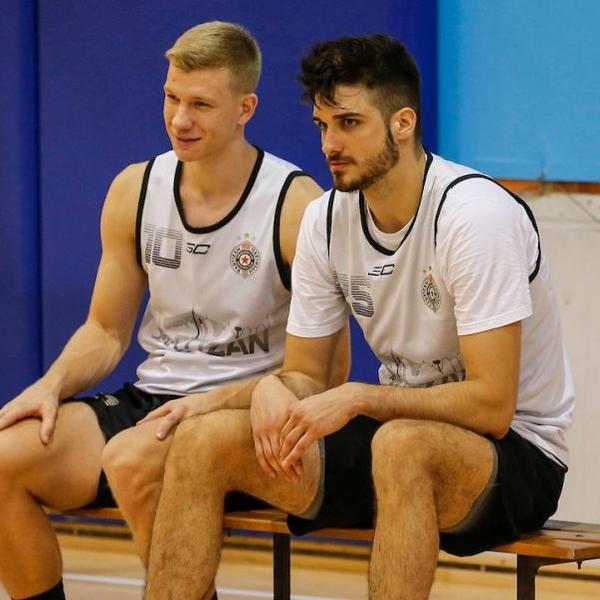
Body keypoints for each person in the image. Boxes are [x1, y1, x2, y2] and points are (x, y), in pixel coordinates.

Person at [144, 33, 574, 600]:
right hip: (394, 436)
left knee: (401, 447)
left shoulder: (474, 217)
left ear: (402, 123)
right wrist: (271, 388)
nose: (330, 144)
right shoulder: (325, 219)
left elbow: (492, 406)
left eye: (348, 123)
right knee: (203, 441)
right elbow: (305, 375)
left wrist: (359, 397)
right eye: (323, 125)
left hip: (515, 454)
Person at [0, 21, 344, 600]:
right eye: (171, 98)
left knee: (132, 462)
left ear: (245, 108)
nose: (180, 119)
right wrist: (51, 385)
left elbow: (327, 372)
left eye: (201, 105)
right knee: (5, 459)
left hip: (242, 413)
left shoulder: (297, 206)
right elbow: (105, 331)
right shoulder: (135, 190)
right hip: (155, 401)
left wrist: (244, 407)